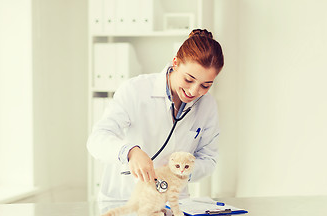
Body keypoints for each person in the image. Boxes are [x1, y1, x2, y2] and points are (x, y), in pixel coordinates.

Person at [87, 29, 224, 201]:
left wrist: (181, 171)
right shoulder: (135, 90)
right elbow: (97, 139)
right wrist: (130, 152)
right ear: (175, 62)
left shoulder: (207, 105)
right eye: (189, 80)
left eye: (205, 85)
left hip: (173, 201)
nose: (194, 91)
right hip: (126, 200)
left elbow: (208, 158)